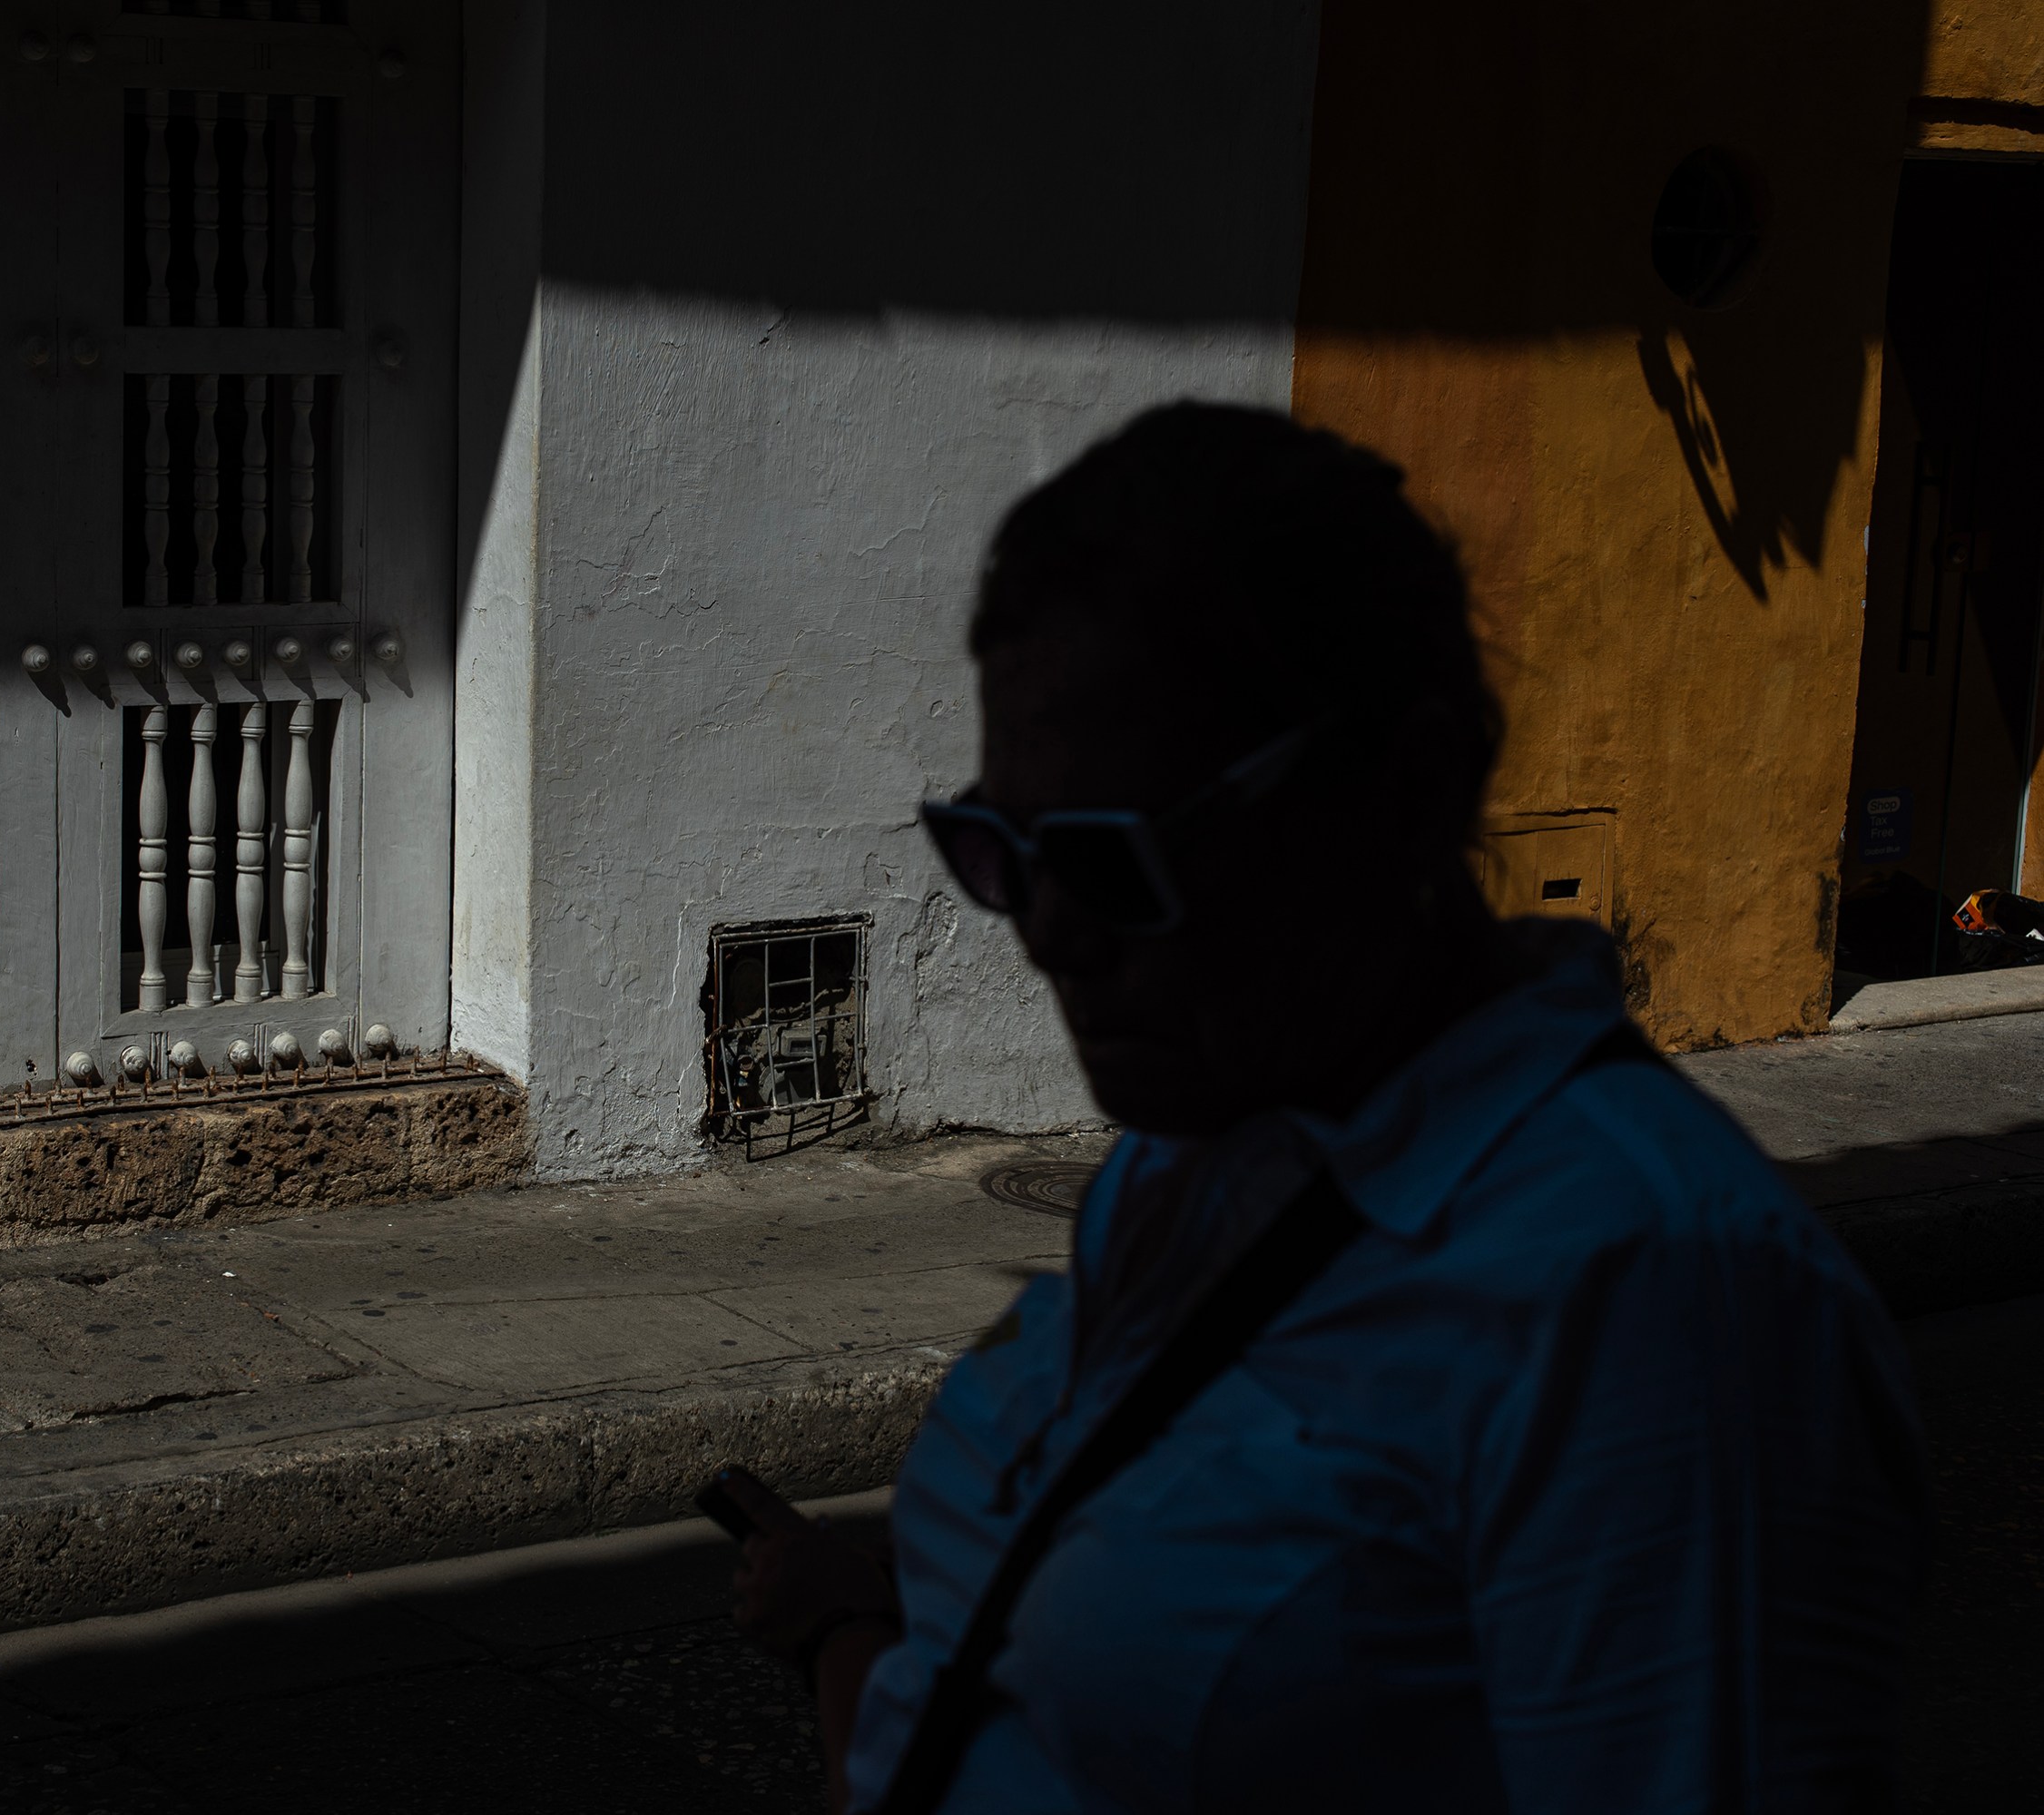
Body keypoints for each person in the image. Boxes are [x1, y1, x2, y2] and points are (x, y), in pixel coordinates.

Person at [723, 403, 1927, 1812]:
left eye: (1116, 859)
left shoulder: (1652, 1297)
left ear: (1402, 793)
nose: (1047, 931)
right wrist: (847, 1626)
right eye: (999, 852)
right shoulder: (1192, 1162)